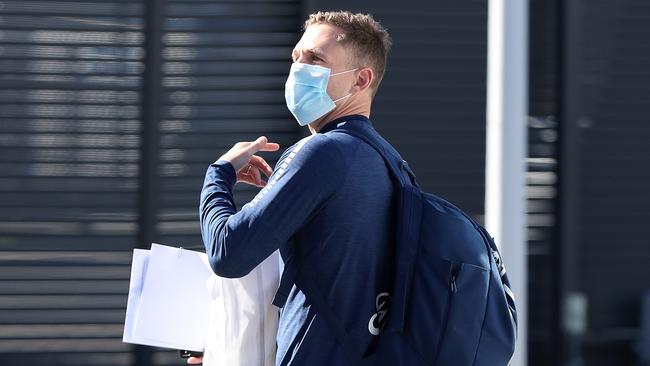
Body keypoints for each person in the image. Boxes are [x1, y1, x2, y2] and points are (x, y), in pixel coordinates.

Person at [195, 11, 400, 366]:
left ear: (360, 80)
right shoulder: (390, 163)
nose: (298, 69)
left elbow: (229, 253)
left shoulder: (322, 152)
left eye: (316, 59)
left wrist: (220, 174)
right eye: (296, 57)